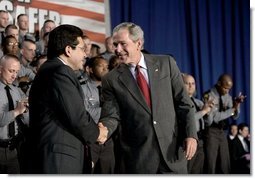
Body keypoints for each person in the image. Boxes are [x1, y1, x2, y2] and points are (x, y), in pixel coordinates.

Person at [98, 22, 197, 174]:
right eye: (115, 44)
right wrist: (104, 129)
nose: (117, 50)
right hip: (139, 159)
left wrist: (191, 135)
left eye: (123, 44)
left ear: (139, 44)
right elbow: (112, 115)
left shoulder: (166, 64)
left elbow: (184, 103)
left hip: (172, 155)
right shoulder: (110, 80)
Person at [26, 24, 108, 174]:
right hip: (58, 160)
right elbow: (76, 115)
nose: (85, 55)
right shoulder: (60, 71)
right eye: (82, 49)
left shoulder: (50, 69)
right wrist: (98, 133)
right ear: (68, 50)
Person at [203, 74, 246, 174]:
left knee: (225, 163)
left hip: (223, 132)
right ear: (219, 84)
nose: (227, 91)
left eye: (229, 89)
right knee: (211, 163)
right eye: (225, 88)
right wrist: (232, 110)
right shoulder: (208, 95)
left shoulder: (227, 96)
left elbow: (235, 116)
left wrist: (237, 105)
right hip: (211, 132)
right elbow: (215, 117)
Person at [81, 56, 114, 174]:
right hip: (90, 138)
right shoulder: (82, 87)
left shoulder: (112, 87)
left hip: (109, 138)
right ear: (90, 69)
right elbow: (85, 112)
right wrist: (109, 111)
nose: (105, 69)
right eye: (101, 66)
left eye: (107, 67)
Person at [0, 54, 29, 173]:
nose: (14, 76)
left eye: (16, 72)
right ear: (0, 69)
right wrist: (17, 111)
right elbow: (1, 120)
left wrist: (26, 110)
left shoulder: (16, 91)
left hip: (14, 149)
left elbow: (26, 120)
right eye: (11, 71)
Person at [182, 73, 214, 174]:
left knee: (198, 170)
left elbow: (208, 122)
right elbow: (189, 119)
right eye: (187, 83)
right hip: (189, 140)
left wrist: (208, 111)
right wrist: (203, 111)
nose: (191, 86)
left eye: (193, 83)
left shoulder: (198, 102)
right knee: (188, 170)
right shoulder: (181, 103)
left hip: (201, 140)